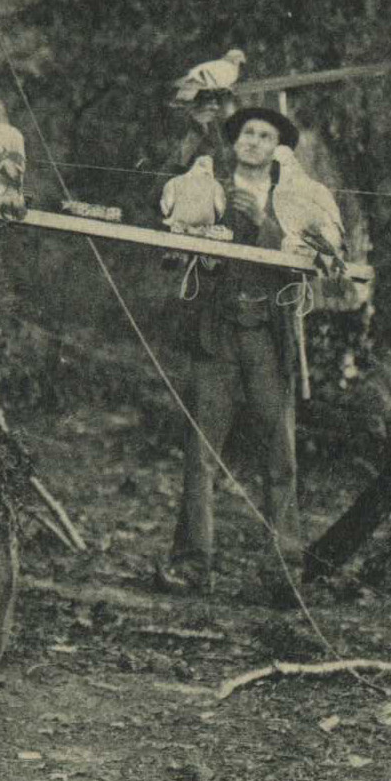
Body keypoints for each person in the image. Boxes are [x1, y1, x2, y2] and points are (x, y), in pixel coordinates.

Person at [158, 103, 344, 602]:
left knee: (279, 456)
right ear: (235, 141)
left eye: (264, 135)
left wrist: (262, 222)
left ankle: (283, 571)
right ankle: (192, 564)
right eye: (246, 133)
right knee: (201, 454)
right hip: (216, 331)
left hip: (268, 334)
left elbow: (304, 267)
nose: (254, 141)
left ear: (276, 147)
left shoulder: (291, 198)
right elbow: (178, 250)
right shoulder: (209, 186)